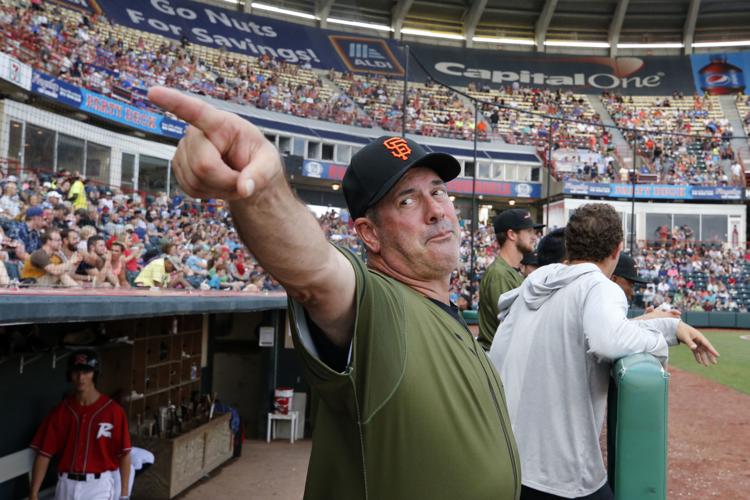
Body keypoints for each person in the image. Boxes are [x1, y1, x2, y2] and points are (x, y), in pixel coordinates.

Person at [148, 87, 520, 500]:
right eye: (407, 200)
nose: (436, 210)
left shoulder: (442, 311)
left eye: (438, 191)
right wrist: (259, 187)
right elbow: (316, 272)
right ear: (368, 234)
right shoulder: (382, 306)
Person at [488, 203, 718, 500]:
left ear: (569, 244)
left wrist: (670, 328)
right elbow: (607, 339)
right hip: (559, 475)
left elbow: (590, 331)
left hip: (506, 461)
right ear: (617, 250)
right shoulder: (599, 286)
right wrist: (661, 340)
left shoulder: (537, 283)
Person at [29, 350, 131, 500]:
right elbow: (44, 454)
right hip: (66, 484)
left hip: (98, 485)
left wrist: (124, 494)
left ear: (95, 374)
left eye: (86, 371)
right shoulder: (60, 412)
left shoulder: (113, 411)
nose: (81, 377)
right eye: (76, 372)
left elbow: (124, 454)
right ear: (70, 375)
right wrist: (33, 493)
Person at [478, 208, 543, 350]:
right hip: (498, 361)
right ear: (512, 234)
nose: (534, 236)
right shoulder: (499, 274)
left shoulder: (509, 271)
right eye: (529, 231)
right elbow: (513, 327)